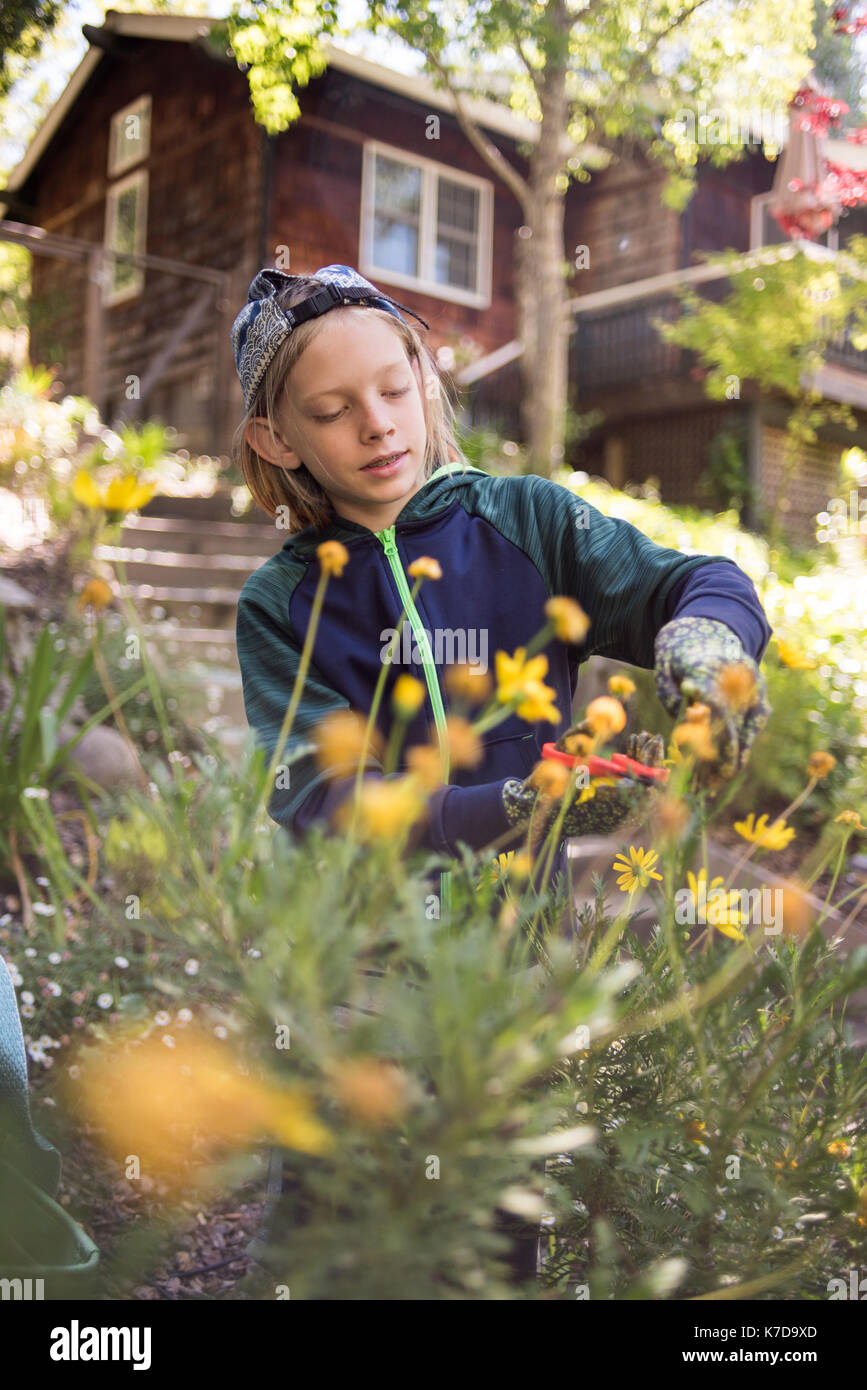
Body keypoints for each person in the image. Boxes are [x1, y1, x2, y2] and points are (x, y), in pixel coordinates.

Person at [230, 262, 773, 1291]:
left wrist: (709, 644)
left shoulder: (525, 522)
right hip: (354, 974)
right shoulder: (284, 604)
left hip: (509, 969)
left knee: (495, 1233)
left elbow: (694, 581)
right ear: (277, 439)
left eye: (393, 388)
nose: (378, 427)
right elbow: (316, 802)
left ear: (424, 376)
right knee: (330, 1227)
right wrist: (509, 808)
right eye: (333, 411)